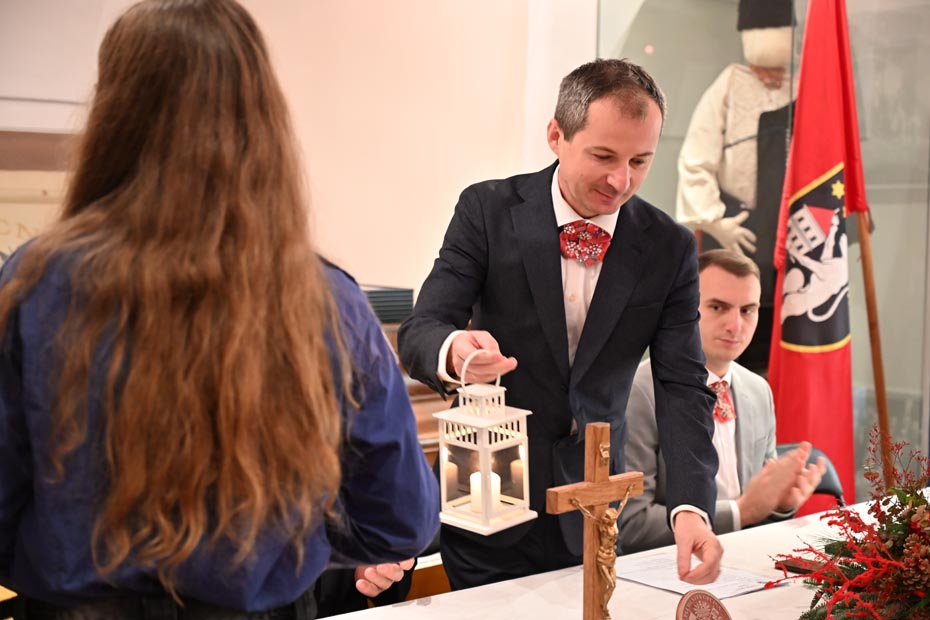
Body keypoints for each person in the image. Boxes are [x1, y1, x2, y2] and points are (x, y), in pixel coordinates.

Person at [0, 1, 438, 618]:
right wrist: (284, 549)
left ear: (111, 112)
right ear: (262, 118)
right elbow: (399, 520)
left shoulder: (34, 281)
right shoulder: (325, 301)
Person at [398, 58, 723, 590]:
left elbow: (682, 384)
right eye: (604, 156)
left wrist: (690, 507)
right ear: (556, 135)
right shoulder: (487, 210)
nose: (622, 180)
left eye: (640, 161)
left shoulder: (669, 246)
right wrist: (456, 351)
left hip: (595, 505)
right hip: (488, 489)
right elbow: (421, 329)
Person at [621, 250, 826, 554]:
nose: (736, 325)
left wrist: (778, 504)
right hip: (668, 568)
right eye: (718, 307)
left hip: (744, 559)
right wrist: (741, 511)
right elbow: (630, 525)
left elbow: (757, 508)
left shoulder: (758, 390)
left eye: (748, 310)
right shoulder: (638, 391)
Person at [675, 0, 796, 371]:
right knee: (724, 321)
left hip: (789, 230)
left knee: (779, 328)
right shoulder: (730, 84)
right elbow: (696, 157)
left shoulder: (801, 86)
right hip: (737, 229)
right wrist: (714, 221)